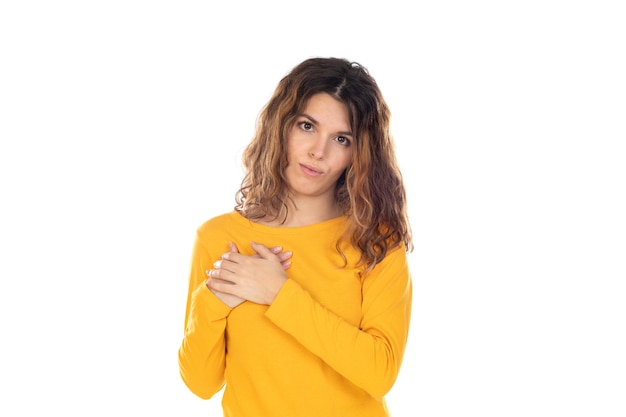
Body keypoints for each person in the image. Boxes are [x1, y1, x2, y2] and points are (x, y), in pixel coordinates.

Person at [178, 57, 413, 417]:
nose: (319, 152)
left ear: (358, 153)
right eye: (307, 126)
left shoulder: (376, 240)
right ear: (281, 126)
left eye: (341, 138)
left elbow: (380, 372)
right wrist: (214, 299)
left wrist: (279, 293)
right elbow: (201, 383)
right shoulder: (220, 238)